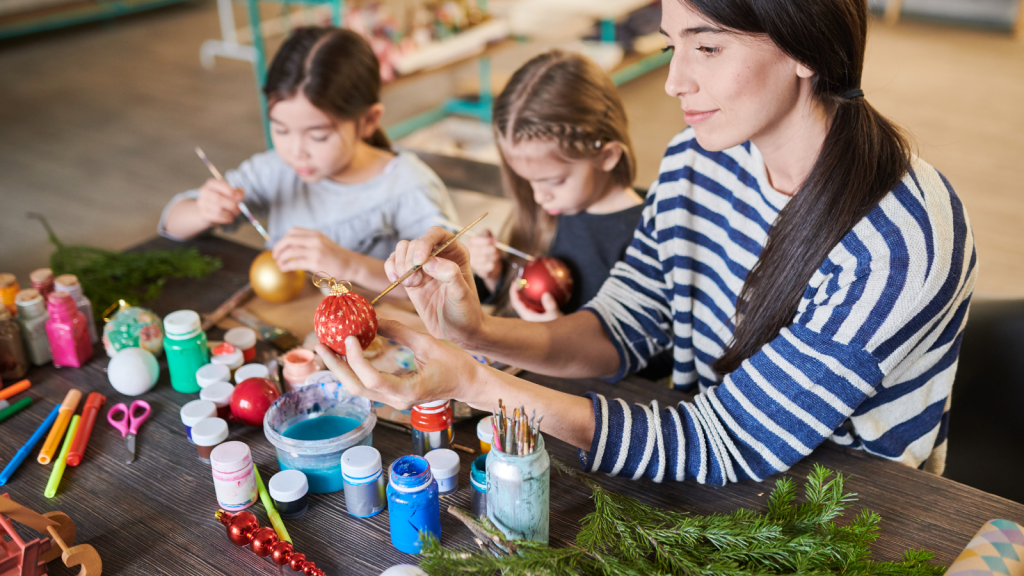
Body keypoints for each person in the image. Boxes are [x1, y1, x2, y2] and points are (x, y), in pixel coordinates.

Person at [317, 0, 977, 486]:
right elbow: (627, 322)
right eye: (671, 46)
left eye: (707, 47)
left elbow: (727, 441)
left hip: (842, 510)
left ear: (805, 46)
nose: (674, 81)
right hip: (704, 474)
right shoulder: (700, 155)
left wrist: (475, 382)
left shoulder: (897, 241)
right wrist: (480, 331)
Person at [159, 27, 459, 293]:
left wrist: (348, 265)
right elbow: (172, 222)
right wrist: (203, 210)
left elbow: (449, 287)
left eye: (317, 136)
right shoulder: (275, 170)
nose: (295, 150)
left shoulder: (406, 187)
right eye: (281, 129)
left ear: (369, 120)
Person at [468, 50, 645, 321]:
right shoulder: (554, 207)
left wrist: (558, 336)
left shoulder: (643, 240)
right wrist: (494, 275)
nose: (539, 196)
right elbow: (520, 299)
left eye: (554, 181)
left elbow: (646, 354)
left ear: (607, 156)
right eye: (527, 180)